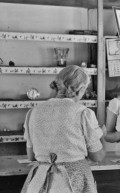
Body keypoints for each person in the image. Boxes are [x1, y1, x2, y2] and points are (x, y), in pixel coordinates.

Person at [21, 65, 105, 193]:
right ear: (81, 88)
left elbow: (31, 156)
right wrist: (102, 134)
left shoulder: (33, 112)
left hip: (39, 185)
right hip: (72, 183)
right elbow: (97, 156)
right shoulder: (83, 113)